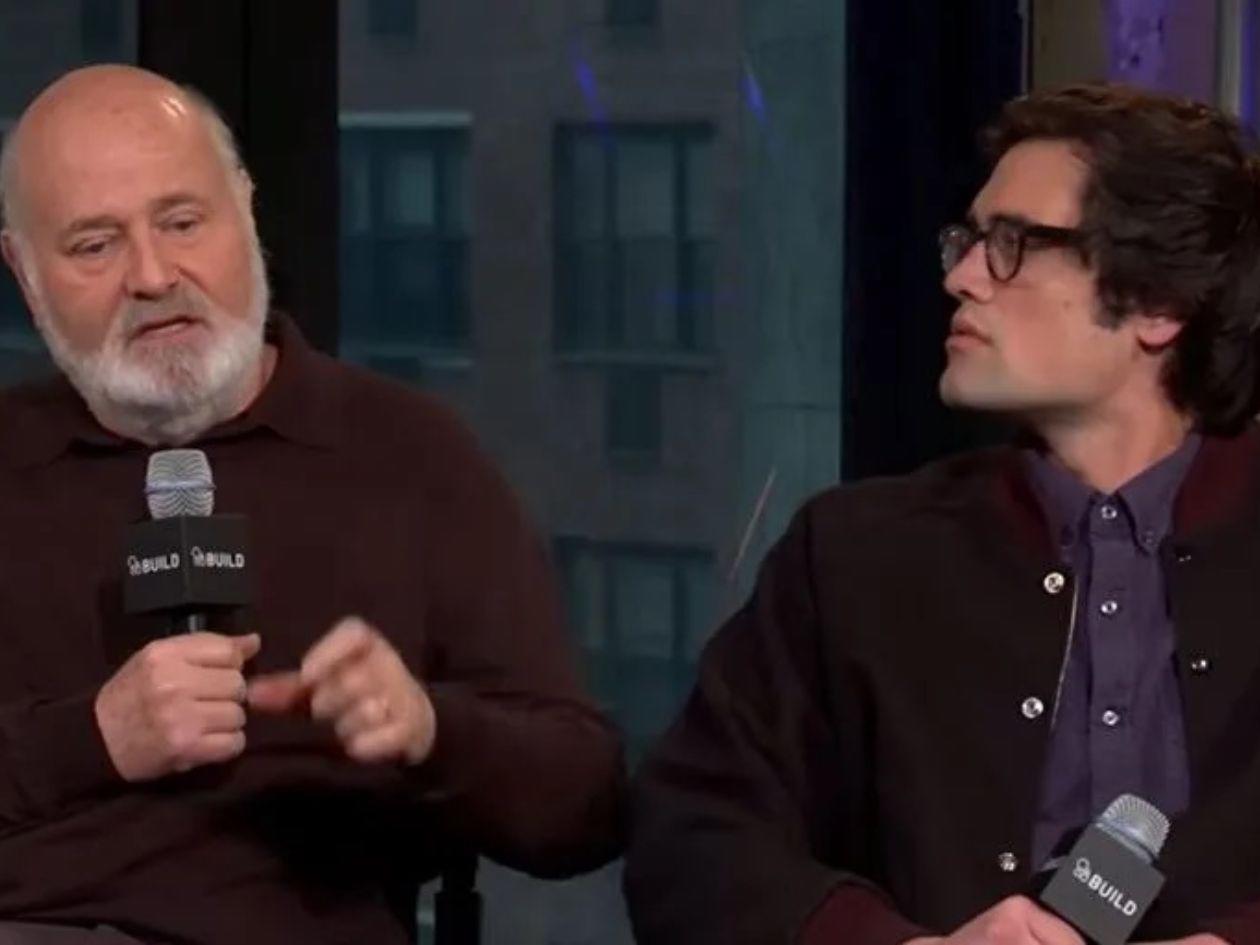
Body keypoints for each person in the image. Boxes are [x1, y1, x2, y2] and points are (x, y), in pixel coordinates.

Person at [0, 64, 623, 944]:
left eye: (182, 222)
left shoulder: (407, 454)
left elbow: (586, 806)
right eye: (95, 245)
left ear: (246, 211)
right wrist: (92, 737)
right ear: (25, 274)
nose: (153, 274)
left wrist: (431, 729)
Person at [625, 83, 1260, 945]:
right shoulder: (855, 553)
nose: (960, 278)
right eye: (967, 242)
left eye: (1011, 245)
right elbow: (689, 838)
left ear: (1159, 305)